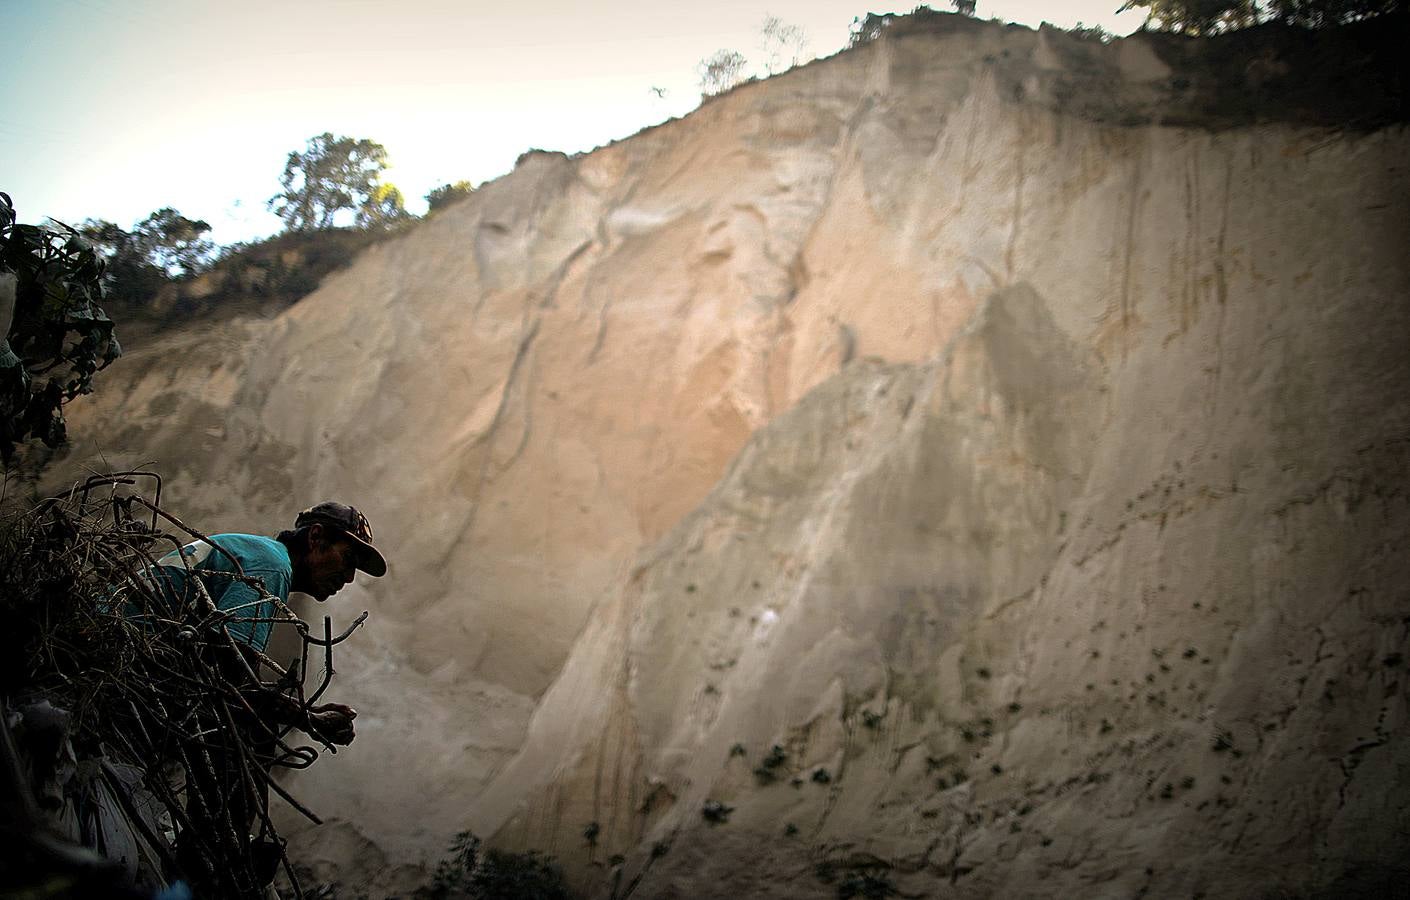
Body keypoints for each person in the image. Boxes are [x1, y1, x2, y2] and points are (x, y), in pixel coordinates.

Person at [144, 501, 386, 893]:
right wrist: (308, 718)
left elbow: (223, 676)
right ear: (316, 538)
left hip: (145, 660)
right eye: (347, 559)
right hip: (135, 666)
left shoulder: (261, 556)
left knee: (251, 722)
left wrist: (302, 713)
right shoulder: (272, 566)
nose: (348, 577)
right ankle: (210, 866)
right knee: (243, 731)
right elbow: (226, 684)